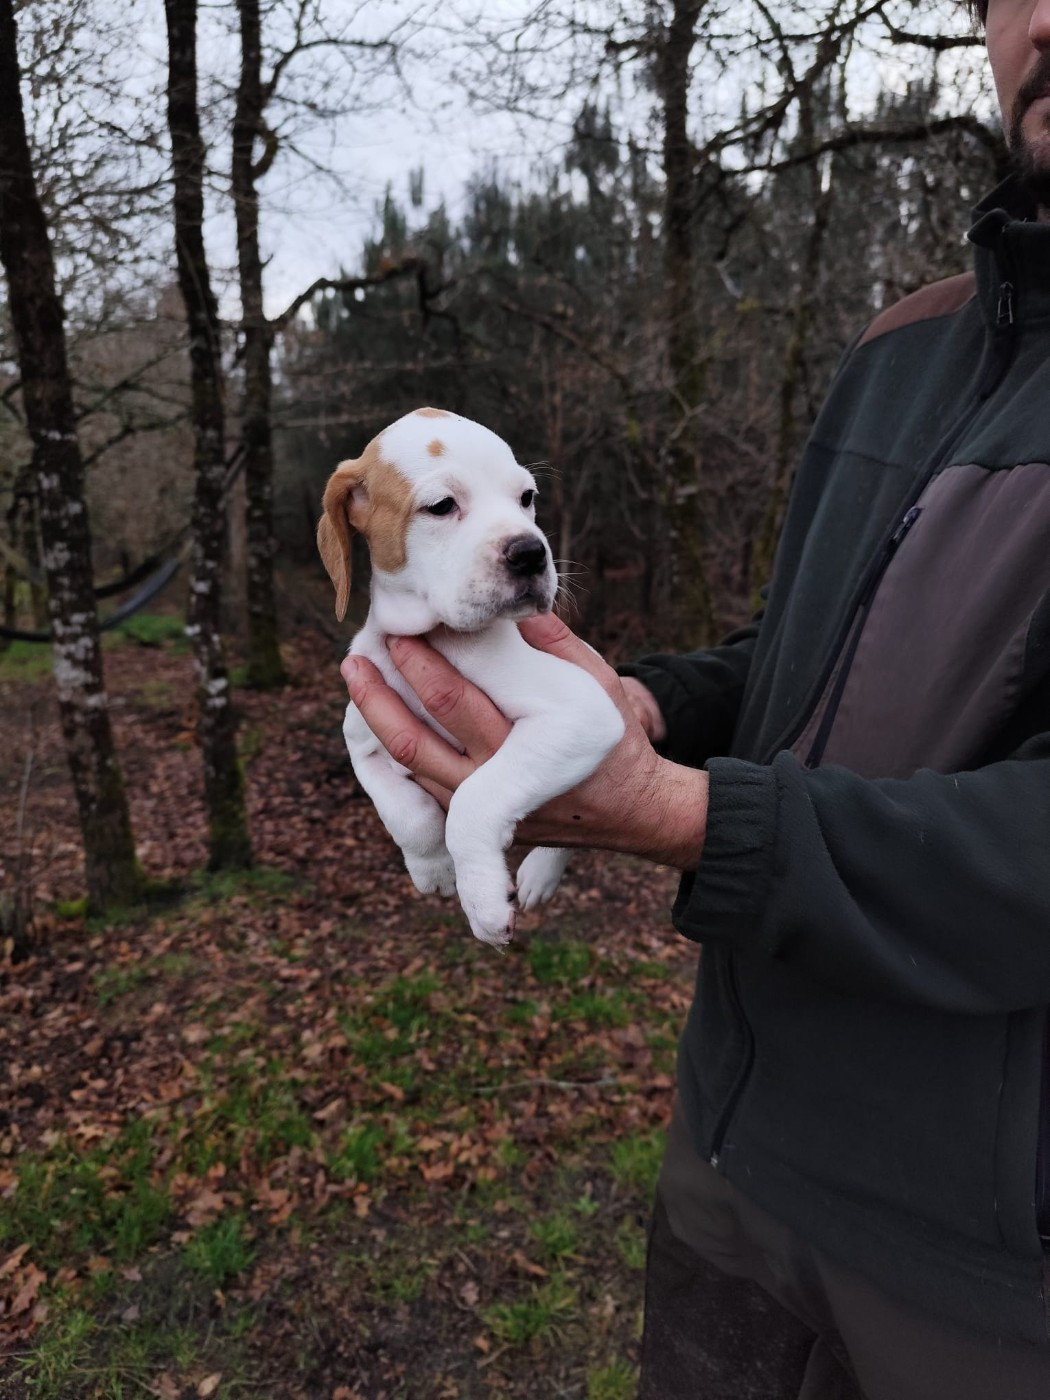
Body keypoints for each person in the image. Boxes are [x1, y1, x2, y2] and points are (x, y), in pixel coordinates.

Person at [339, 0, 1050, 1393]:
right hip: (734, 1167)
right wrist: (650, 704)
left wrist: (680, 816)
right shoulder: (904, 348)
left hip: (988, 1284)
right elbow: (807, 652)